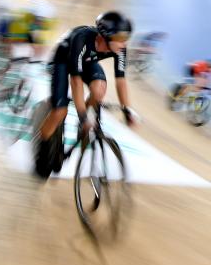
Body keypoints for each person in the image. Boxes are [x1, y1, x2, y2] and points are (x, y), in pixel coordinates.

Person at [35, 11, 136, 178]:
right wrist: (82, 115)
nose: (123, 43)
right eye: (120, 38)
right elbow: (76, 82)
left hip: (86, 61)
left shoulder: (119, 48)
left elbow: (121, 81)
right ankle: (43, 149)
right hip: (62, 60)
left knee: (99, 89)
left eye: (126, 38)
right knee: (60, 111)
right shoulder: (82, 38)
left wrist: (127, 109)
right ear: (106, 35)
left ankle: (82, 127)